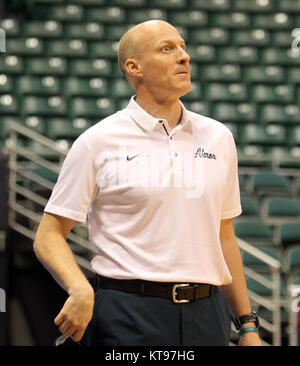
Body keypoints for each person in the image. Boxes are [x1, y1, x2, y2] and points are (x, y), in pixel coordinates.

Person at [33, 20, 261, 346]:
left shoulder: (219, 138)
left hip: (208, 314)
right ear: (134, 67)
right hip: (128, 312)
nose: (184, 57)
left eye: (183, 47)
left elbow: (224, 237)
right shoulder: (97, 141)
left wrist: (247, 324)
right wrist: (79, 286)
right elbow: (48, 235)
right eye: (167, 49)